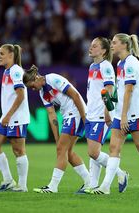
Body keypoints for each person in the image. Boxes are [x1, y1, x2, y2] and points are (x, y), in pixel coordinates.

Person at [91, 33, 139, 195]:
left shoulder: (131, 64)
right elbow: (120, 90)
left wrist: (123, 116)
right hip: (121, 113)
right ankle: (105, 187)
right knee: (113, 148)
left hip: (135, 113)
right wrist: (112, 110)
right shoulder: (120, 64)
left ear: (124, 45)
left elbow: (129, 91)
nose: (112, 45)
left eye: (115, 42)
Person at [23, 65, 90, 193]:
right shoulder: (43, 93)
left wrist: (84, 118)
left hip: (75, 113)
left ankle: (53, 187)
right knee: (67, 153)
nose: (32, 89)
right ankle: (89, 182)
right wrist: (57, 138)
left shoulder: (53, 79)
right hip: (68, 116)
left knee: (62, 150)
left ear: (36, 78)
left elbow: (75, 95)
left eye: (32, 86)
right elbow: (52, 114)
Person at [85, 37, 129, 192]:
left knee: (93, 151)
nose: (91, 48)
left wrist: (106, 111)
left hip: (101, 115)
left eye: (95, 46)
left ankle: (120, 173)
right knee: (93, 153)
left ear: (103, 51)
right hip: (90, 114)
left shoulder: (106, 67)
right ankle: (92, 185)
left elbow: (109, 90)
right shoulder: (92, 66)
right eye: (91, 45)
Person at [0, 44, 30, 192]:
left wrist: (8, 116)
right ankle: (8, 180)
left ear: (11, 55)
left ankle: (22, 186)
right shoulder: (7, 71)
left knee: (18, 150)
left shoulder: (16, 71)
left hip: (16, 117)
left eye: (2, 53)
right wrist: (5, 117)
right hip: (6, 117)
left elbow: (21, 95)